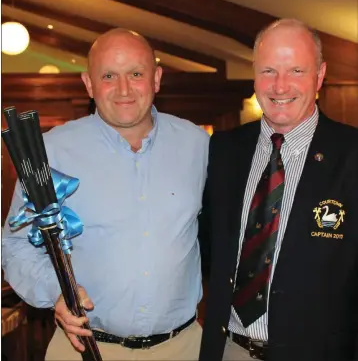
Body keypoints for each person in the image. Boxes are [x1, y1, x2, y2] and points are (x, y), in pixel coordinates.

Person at [2, 29, 209, 360]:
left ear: (156, 78)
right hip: (84, 348)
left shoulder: (198, 144)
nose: (124, 89)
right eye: (109, 75)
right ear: (89, 83)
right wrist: (57, 293)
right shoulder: (51, 151)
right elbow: (15, 246)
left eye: (136, 74)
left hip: (183, 348)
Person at [199, 19, 358, 361]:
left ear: (319, 75)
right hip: (228, 351)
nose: (280, 85)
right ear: (254, 74)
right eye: (269, 70)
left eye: (296, 70)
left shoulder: (352, 155)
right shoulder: (223, 150)